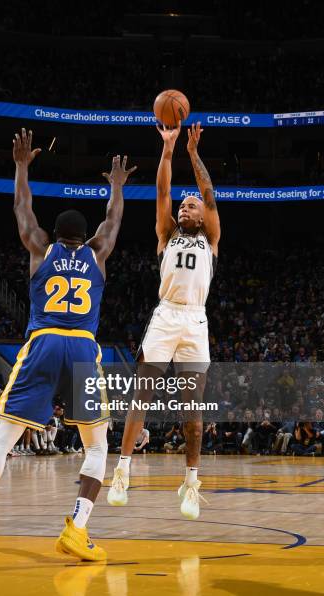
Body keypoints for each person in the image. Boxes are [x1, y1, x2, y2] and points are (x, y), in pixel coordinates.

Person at [0, 127, 136, 567]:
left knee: (4, 438)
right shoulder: (98, 253)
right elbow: (114, 220)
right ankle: (77, 530)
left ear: (54, 234)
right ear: (85, 238)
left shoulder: (38, 248)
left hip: (43, 342)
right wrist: (116, 187)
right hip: (83, 347)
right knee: (97, 446)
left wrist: (22, 165)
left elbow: (20, 208)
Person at [108, 121, 220, 520]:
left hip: (195, 321)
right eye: (183, 205)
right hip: (166, 316)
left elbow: (208, 194)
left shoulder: (211, 239)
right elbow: (161, 191)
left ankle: (191, 482)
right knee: (143, 392)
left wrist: (193, 154)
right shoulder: (166, 234)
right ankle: (121, 472)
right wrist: (169, 149)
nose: (186, 206)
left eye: (192, 205)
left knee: (193, 409)